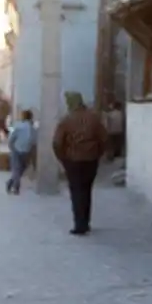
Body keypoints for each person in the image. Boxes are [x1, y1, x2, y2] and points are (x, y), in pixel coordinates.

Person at [52, 92, 107, 235]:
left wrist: (63, 159)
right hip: (91, 160)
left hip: (73, 160)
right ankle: (86, 221)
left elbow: (57, 143)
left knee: (76, 191)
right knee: (87, 190)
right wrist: (97, 154)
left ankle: (79, 223)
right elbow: (104, 139)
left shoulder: (66, 120)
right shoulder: (94, 118)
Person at [6, 110, 37, 195]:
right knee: (21, 169)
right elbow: (34, 142)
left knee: (16, 169)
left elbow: (11, 139)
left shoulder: (18, 126)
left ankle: (12, 182)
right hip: (27, 151)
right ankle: (15, 186)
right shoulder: (33, 129)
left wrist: (11, 147)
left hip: (16, 149)